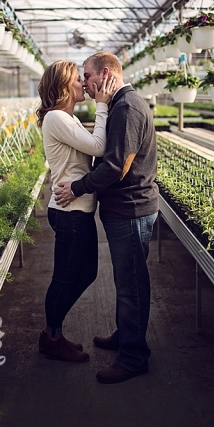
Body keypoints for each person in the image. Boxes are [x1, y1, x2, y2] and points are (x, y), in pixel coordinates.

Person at [54, 51, 158, 384]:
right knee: (126, 281)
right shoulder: (120, 105)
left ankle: (133, 357)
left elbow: (116, 166)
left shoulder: (126, 108)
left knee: (131, 285)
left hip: (130, 208)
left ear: (107, 74)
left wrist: (79, 187)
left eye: (88, 75)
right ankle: (126, 336)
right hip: (124, 208)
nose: (85, 81)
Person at [36, 60, 116, 363]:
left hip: (77, 210)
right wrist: (102, 105)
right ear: (62, 86)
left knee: (87, 273)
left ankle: (53, 333)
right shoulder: (57, 117)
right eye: (77, 79)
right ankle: (52, 337)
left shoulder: (64, 118)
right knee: (65, 278)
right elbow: (98, 147)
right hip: (69, 212)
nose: (84, 83)